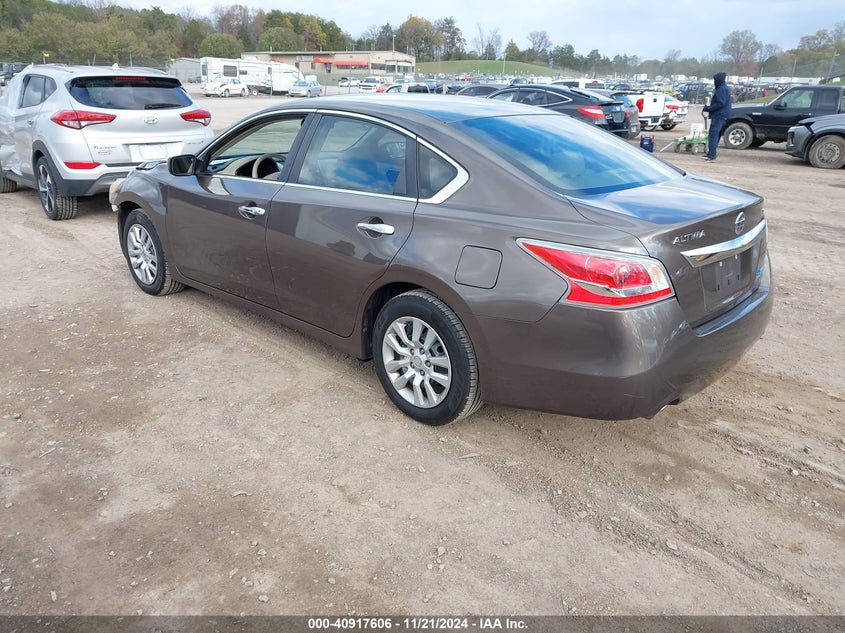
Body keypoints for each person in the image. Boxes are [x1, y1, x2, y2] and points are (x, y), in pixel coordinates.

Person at [702, 72, 732, 161]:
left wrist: (709, 109)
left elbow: (720, 103)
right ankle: (711, 153)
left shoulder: (721, 89)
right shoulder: (724, 88)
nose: (714, 82)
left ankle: (711, 155)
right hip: (722, 115)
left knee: (713, 135)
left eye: (715, 80)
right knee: (717, 135)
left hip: (718, 115)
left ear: (718, 80)